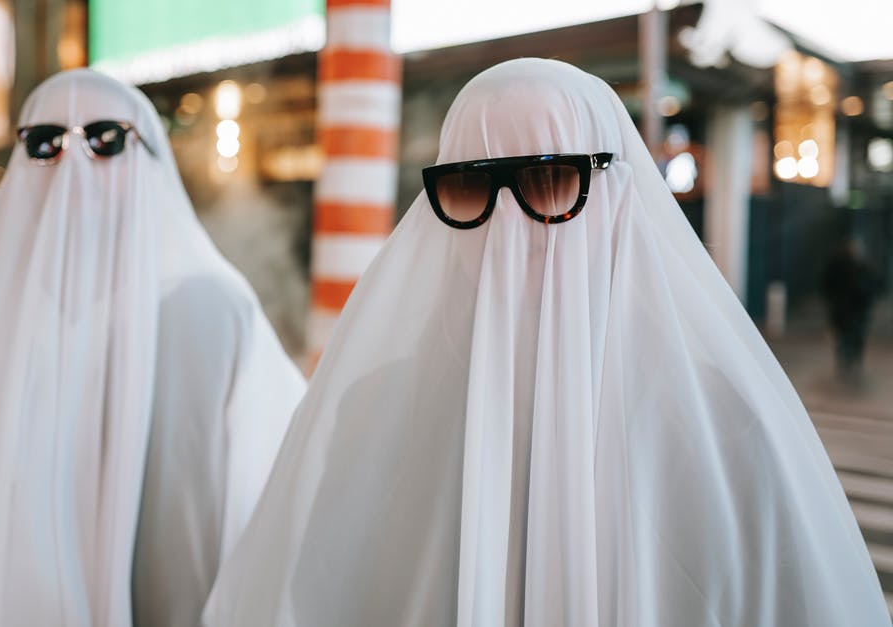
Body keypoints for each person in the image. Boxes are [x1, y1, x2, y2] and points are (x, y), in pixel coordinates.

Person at [203, 59, 890, 627]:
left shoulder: (722, 424)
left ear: (617, 191)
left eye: (550, 178)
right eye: (472, 186)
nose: (509, 225)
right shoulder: (370, 405)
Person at [0, 70, 305, 627]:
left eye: (106, 138)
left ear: (149, 159)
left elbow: (279, 504)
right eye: (45, 143)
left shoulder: (216, 310)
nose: (74, 163)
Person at [822, 236, 881, 380]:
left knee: (855, 337)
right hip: (845, 311)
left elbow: (874, 286)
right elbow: (825, 285)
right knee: (845, 337)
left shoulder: (863, 267)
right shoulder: (838, 266)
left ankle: (851, 363)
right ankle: (846, 363)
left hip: (856, 311)